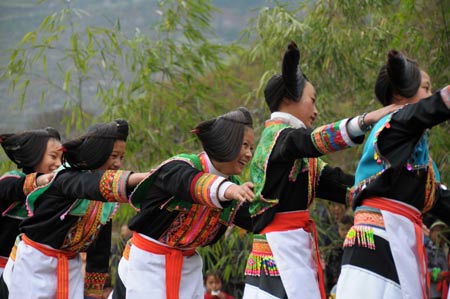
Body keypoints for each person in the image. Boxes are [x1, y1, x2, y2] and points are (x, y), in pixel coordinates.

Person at [242, 41, 399, 299]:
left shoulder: (294, 149)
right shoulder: (281, 139)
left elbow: (336, 183)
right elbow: (311, 141)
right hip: (280, 252)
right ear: (290, 98)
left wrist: (391, 192)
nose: (315, 111)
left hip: (290, 247)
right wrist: (366, 120)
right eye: (312, 101)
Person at [336, 50, 450, 299]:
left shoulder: (415, 152)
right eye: (426, 88)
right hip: (379, 242)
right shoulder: (394, 125)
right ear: (400, 95)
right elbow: (421, 112)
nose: (430, 95)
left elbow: (438, 199)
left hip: (395, 240)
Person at [112, 107, 255, 299]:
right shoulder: (180, 167)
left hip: (188, 269)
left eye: (251, 148)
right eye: (244, 145)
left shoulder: (234, 189)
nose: (249, 154)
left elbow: (258, 218)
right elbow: (190, 183)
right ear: (226, 141)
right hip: (148, 263)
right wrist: (229, 190)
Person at [4, 119, 149, 299]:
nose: (118, 163)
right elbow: (88, 185)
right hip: (34, 263)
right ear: (98, 153)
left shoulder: (108, 200)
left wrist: (93, 292)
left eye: (121, 157)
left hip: (70, 265)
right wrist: (144, 177)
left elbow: (100, 247)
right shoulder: (66, 177)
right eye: (113, 156)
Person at [0, 127, 63, 297]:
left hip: (36, 273)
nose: (58, 163)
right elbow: (11, 188)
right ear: (34, 155)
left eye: (61, 158)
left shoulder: (54, 193)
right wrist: (38, 181)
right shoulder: (10, 181)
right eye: (53, 156)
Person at [425, 221, 450, 299]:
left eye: (443, 232)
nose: (440, 234)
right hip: (429, 291)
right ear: (431, 232)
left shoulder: (447, 251)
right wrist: (432, 274)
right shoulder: (424, 248)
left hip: (444, 292)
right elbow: (418, 267)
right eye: (438, 230)